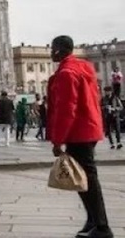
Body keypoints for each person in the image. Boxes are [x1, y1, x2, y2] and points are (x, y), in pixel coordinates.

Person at [48, 35, 113, 238]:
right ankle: (93, 220)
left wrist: (58, 139)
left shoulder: (67, 73)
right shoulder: (82, 68)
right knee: (83, 177)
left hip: (79, 131)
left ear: (59, 50)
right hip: (87, 128)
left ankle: (102, 227)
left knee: (88, 178)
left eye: (52, 49)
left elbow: (67, 109)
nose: (50, 52)